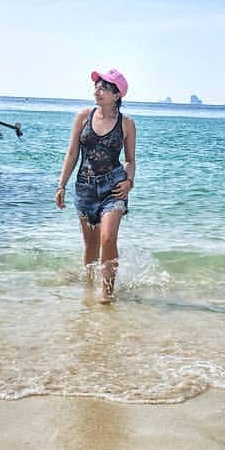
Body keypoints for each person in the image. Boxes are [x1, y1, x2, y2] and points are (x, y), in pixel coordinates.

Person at [55, 68, 137, 302]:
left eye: (103, 88)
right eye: (97, 87)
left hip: (114, 187)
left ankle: (107, 294)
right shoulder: (83, 117)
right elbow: (72, 154)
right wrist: (61, 185)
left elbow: (130, 160)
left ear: (117, 95)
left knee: (108, 238)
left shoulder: (127, 124)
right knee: (90, 246)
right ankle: (88, 288)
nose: (97, 91)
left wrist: (129, 182)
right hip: (85, 187)